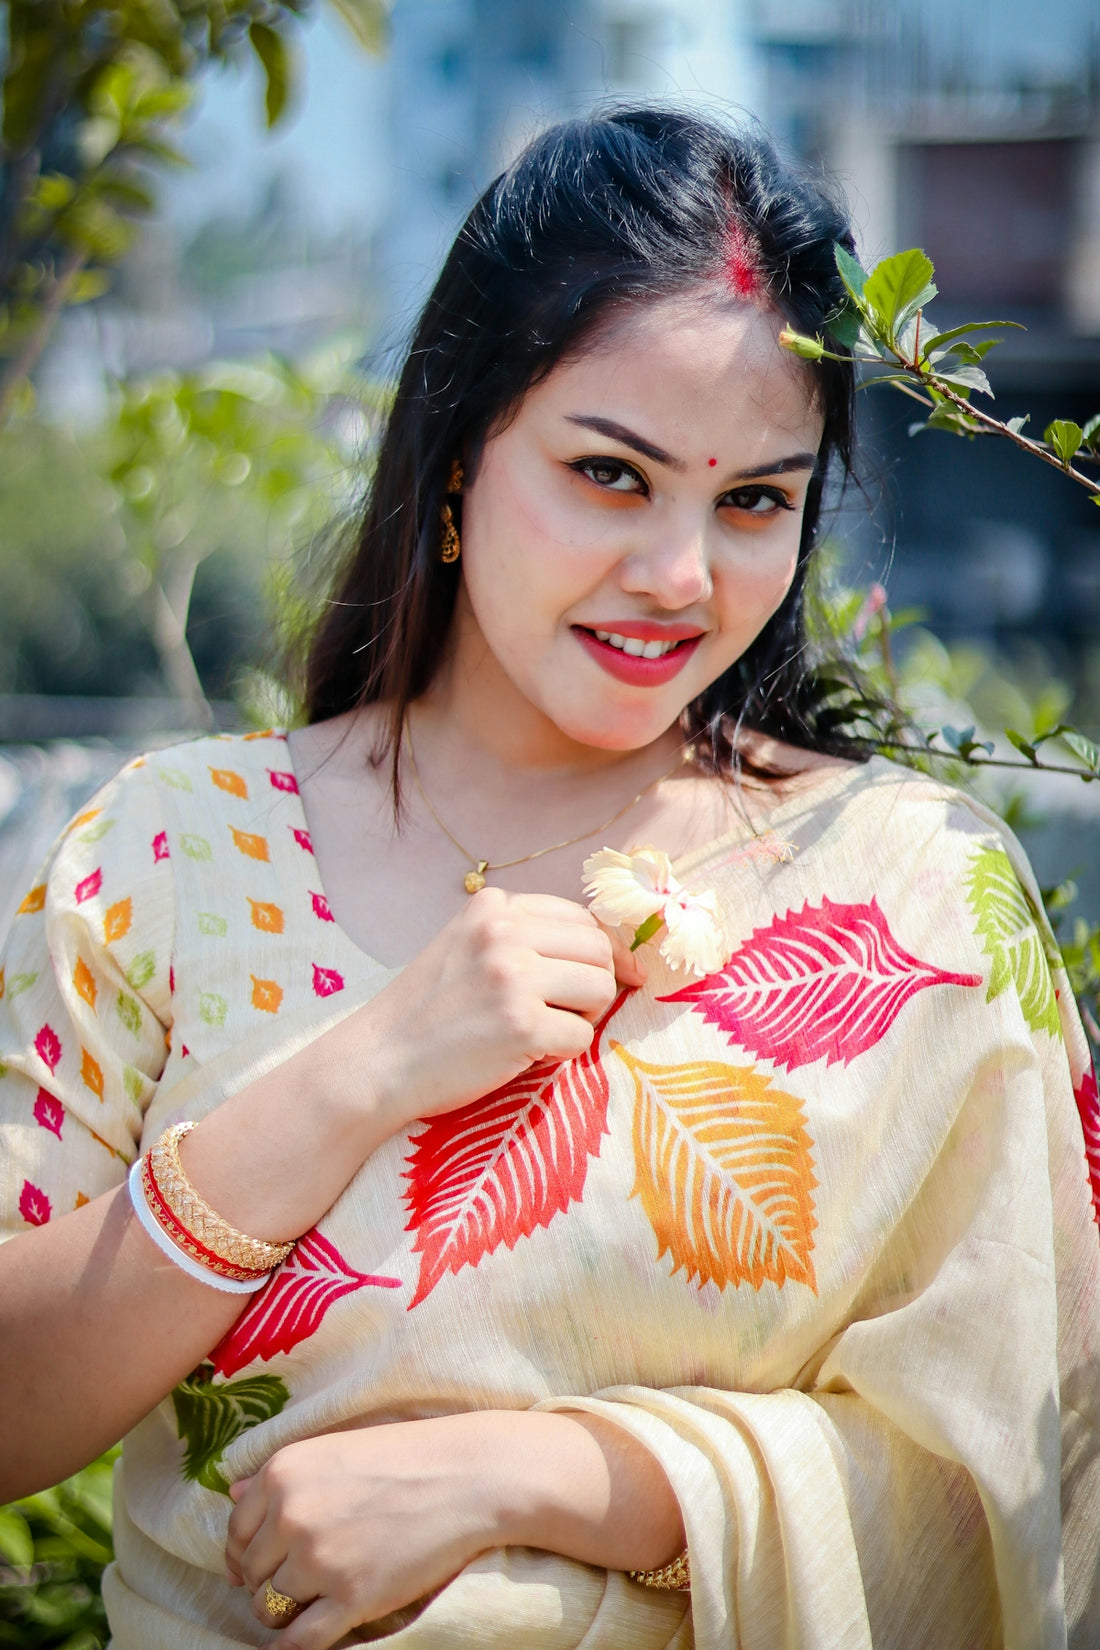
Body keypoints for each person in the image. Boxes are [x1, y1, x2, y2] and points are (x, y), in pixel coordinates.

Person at [1, 106, 1098, 1650]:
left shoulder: (919, 891)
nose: (679, 576)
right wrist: (360, 1073)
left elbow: (1029, 1464)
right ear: (457, 458)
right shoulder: (177, 853)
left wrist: (555, 1477)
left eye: (754, 500)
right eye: (608, 473)